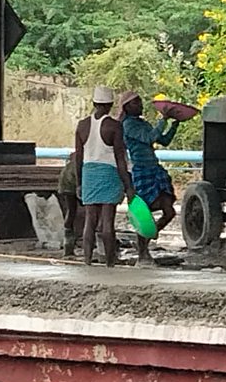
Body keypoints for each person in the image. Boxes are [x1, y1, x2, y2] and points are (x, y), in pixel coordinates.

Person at [74, 87, 134, 267]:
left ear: (94, 103)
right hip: (109, 173)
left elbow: (78, 156)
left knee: (90, 219)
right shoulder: (114, 126)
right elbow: (120, 158)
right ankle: (109, 261)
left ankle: (86, 260)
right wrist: (128, 185)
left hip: (88, 172)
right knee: (107, 220)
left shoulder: (82, 125)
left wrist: (79, 183)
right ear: (110, 105)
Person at [118, 91, 180, 266]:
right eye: (135, 103)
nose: (140, 105)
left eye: (140, 102)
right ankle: (143, 250)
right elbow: (149, 138)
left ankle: (145, 243)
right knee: (144, 214)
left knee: (169, 211)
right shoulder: (129, 125)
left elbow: (164, 140)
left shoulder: (140, 123)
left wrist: (175, 124)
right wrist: (164, 119)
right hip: (142, 171)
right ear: (126, 107)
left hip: (153, 170)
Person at [57, 151, 81, 258]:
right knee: (91, 213)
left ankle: (68, 246)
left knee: (71, 211)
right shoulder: (82, 158)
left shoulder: (73, 159)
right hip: (71, 183)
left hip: (66, 183)